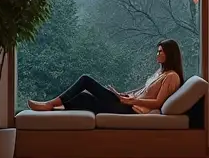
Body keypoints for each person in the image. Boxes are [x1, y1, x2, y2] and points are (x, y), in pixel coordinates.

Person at [27, 40, 184, 115]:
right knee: (84, 97)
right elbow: (143, 91)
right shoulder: (160, 73)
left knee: (86, 80)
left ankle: (50, 104)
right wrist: (124, 94)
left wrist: (132, 101)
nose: (157, 54)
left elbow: (158, 102)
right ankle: (54, 109)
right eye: (157, 51)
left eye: (160, 51)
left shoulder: (171, 77)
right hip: (128, 102)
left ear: (170, 54)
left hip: (132, 110)